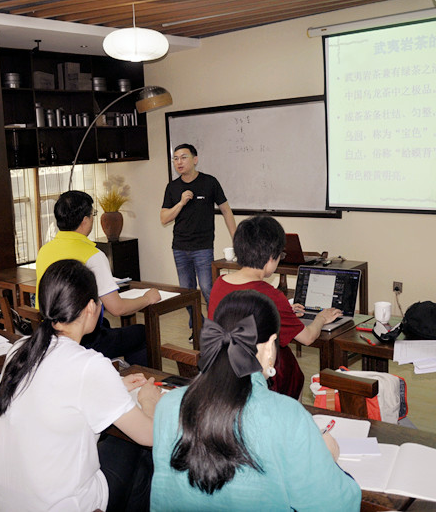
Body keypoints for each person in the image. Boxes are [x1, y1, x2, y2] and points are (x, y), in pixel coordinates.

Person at [151, 290, 361, 511]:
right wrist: (327, 458)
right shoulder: (288, 415)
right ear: (270, 346)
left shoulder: (168, 406)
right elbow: (338, 506)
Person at [0, 259, 162, 511]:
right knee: (140, 453)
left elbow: (54, 393)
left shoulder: (19, 350)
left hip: (7, 501)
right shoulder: (89, 365)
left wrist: (115, 386)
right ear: (91, 307)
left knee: (134, 476)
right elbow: (150, 436)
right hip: (59, 505)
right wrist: (149, 401)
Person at [208, 215, 341, 399]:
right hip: (259, 378)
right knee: (290, 365)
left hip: (223, 368)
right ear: (271, 258)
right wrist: (321, 318)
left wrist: (282, 310)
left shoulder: (219, 283)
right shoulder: (271, 295)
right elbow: (308, 338)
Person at [36, 190, 160, 366]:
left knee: (107, 324)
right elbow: (118, 308)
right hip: (82, 338)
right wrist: (147, 298)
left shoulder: (44, 250)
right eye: (92, 214)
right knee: (141, 333)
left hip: (51, 334)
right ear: (85, 220)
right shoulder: (93, 255)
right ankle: (142, 381)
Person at [160, 143, 236, 329]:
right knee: (186, 293)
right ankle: (198, 327)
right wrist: (180, 203)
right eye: (175, 158)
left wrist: (237, 239)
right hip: (179, 247)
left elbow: (226, 211)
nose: (179, 162)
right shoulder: (172, 187)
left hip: (203, 247)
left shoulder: (209, 182)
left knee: (208, 290)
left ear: (195, 160)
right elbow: (164, 218)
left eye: (183, 157)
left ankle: (215, 329)